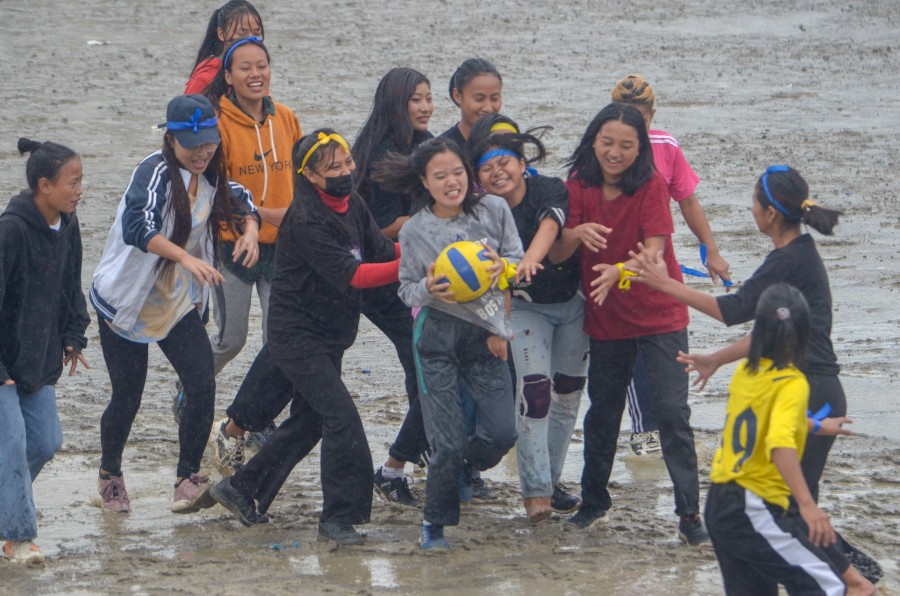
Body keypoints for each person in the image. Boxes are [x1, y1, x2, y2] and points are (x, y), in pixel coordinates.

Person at [630, 165, 880, 590]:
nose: (750, 210)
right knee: (788, 504)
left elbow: (731, 311)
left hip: (808, 389)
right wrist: (715, 359)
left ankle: (857, 578)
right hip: (810, 392)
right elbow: (767, 332)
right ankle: (852, 574)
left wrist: (664, 283)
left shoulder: (788, 258)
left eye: (753, 204)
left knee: (793, 505)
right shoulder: (792, 255)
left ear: (768, 214)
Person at [209, 130, 399, 543]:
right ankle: (338, 520)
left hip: (331, 334)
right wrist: (414, 268)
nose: (346, 171)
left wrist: (423, 250)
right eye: (334, 167)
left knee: (310, 421)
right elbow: (355, 275)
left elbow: (382, 251)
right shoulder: (307, 220)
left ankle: (241, 489)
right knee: (342, 420)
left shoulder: (354, 205)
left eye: (348, 162)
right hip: (297, 337)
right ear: (310, 175)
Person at [90, 94, 260, 514]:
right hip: (127, 300)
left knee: (201, 381)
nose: (202, 153)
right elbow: (136, 226)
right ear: (171, 139)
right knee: (127, 396)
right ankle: (110, 473)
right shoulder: (153, 173)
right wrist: (184, 256)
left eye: (209, 143)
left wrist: (251, 230)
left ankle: (187, 478)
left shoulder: (212, 170)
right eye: (192, 145)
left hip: (176, 299)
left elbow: (241, 197)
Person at [548, 103, 708, 546]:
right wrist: (575, 235)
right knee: (603, 412)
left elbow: (655, 252)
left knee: (673, 412)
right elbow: (558, 254)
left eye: (626, 145)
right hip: (607, 317)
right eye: (607, 142)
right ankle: (594, 501)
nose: (614, 153)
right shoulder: (577, 186)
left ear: (641, 149)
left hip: (661, 313)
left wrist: (621, 271)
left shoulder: (653, 185)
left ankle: (689, 514)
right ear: (592, 140)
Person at [379, 136, 523, 551]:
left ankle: (456, 463)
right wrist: (426, 288)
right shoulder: (416, 229)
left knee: (501, 434)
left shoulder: (494, 209)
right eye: (440, 176)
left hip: (486, 335)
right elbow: (405, 289)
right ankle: (434, 525)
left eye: (458, 172)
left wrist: (505, 271)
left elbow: (518, 262)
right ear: (424, 181)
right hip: (437, 337)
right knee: (445, 439)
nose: (451, 182)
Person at [467, 116, 586, 522]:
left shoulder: (549, 188)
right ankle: (535, 494)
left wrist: (529, 259)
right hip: (526, 308)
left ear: (521, 163)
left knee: (568, 393)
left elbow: (552, 223)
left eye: (504, 162)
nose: (497, 172)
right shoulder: (484, 214)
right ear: (478, 179)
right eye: (486, 167)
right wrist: (498, 324)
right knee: (535, 393)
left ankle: (551, 483)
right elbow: (490, 277)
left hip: (573, 304)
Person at [191, 37, 302, 463]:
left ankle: (253, 417)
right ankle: (192, 387)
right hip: (232, 244)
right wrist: (253, 223)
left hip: (282, 249)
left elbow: (302, 177)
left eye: (262, 66)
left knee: (281, 341)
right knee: (231, 339)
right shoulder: (218, 124)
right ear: (229, 77)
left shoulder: (287, 118)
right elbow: (215, 191)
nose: (255, 74)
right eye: (244, 68)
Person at [611, 74, 732, 457]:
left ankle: (674, 419)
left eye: (641, 118)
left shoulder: (666, 146)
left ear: (653, 115)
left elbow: (688, 201)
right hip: (619, 265)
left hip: (663, 263)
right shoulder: (603, 147)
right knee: (632, 347)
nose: (634, 127)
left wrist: (711, 249)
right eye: (626, 117)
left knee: (672, 336)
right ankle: (644, 430)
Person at [705, 283, 847, 595]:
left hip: (719, 504)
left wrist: (815, 426)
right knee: (829, 587)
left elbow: (764, 417)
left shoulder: (746, 371)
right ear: (806, 333)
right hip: (753, 506)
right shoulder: (793, 382)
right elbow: (779, 444)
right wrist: (808, 506)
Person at [0, 138, 90, 566]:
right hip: (2, 363)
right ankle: (18, 537)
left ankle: (6, 509)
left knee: (46, 441)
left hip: (37, 360)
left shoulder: (69, 225)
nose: (79, 190)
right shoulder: (11, 230)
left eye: (81, 181)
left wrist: (73, 335)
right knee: (13, 443)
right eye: (72, 182)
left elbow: (72, 288)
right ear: (43, 185)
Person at [351, 67, 434, 506]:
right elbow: (385, 227)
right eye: (415, 100)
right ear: (395, 105)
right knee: (429, 368)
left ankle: (422, 451)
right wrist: (433, 225)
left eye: (428, 98)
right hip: (381, 280)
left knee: (420, 365)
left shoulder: (424, 144)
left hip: (412, 274)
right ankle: (396, 465)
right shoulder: (381, 155)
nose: (425, 107)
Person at [185, 0, 263, 95]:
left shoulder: (260, 75)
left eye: (257, 34)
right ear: (221, 34)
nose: (251, 41)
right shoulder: (204, 79)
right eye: (242, 34)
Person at [440, 58, 503, 149]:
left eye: (494, 99)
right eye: (479, 99)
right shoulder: (442, 150)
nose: (488, 108)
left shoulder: (507, 144)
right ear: (457, 96)